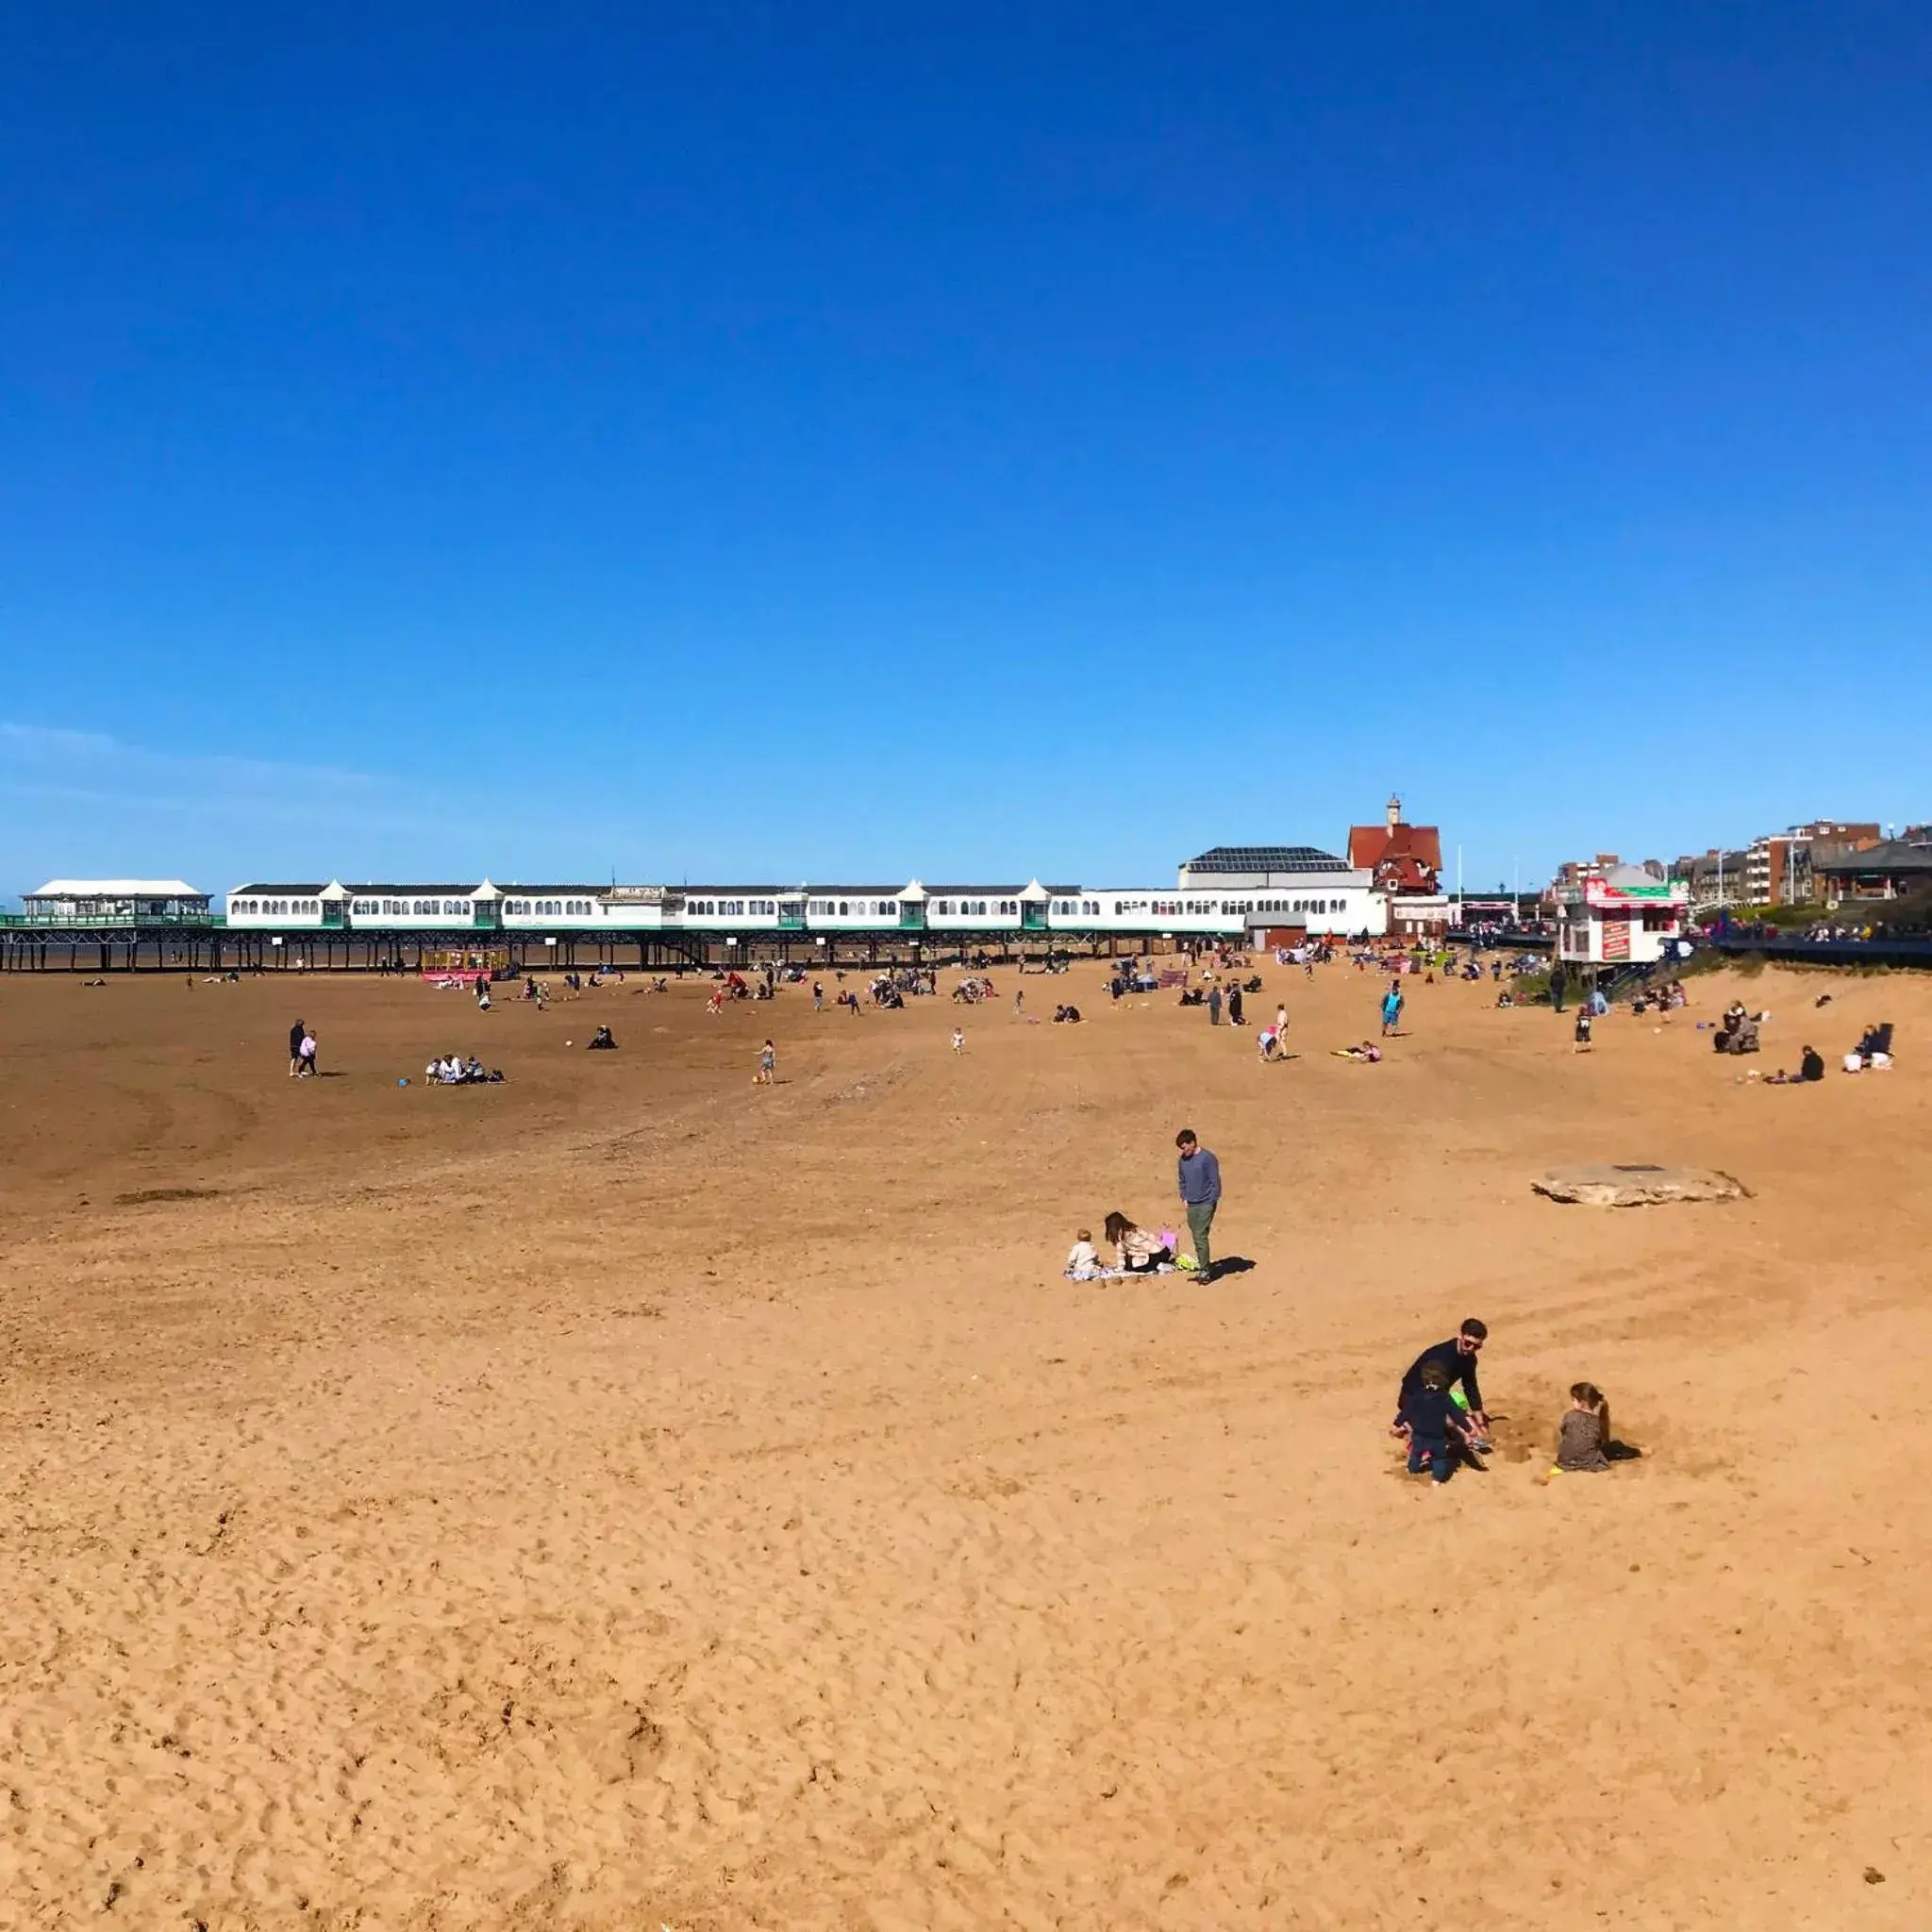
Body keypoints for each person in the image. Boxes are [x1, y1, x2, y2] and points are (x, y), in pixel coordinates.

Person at [1396, 1321, 1490, 1446]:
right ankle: (1409, 1426)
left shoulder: (1470, 1359)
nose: (1471, 1349)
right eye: (1468, 1343)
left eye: (1477, 1347)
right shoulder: (1441, 1358)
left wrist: (1481, 1423)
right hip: (1413, 1397)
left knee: (1464, 1424)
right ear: (1461, 1336)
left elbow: (1471, 1388)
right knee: (1450, 1426)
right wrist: (1464, 1430)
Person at [1405, 1359, 1472, 1485]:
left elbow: (1408, 1410)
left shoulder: (1419, 1395)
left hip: (1420, 1434)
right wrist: (1467, 1428)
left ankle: (1412, 1469)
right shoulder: (1445, 1397)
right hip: (1437, 1437)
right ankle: (1437, 1479)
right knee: (1439, 1458)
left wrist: (1399, 1421)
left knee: (1416, 1454)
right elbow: (1456, 1416)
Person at [1174, 1128, 1221, 1281]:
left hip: (1206, 1203)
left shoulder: (1207, 1158)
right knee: (1197, 1236)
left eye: (1184, 1146)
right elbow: (1182, 1180)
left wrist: (1211, 1200)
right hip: (1191, 1204)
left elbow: (1215, 1181)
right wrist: (1185, 1198)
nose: (1183, 1150)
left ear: (1193, 1143)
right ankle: (1203, 1265)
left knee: (1200, 1236)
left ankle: (1205, 1271)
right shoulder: (1182, 1161)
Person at [1103, 1210, 1172, 1273]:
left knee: (1129, 1265)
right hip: (1164, 1251)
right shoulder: (1134, 1229)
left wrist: (1120, 1269)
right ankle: (1162, 1263)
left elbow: (1121, 1256)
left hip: (1152, 1257)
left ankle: (1157, 1266)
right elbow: (1151, 1236)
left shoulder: (1121, 1239)